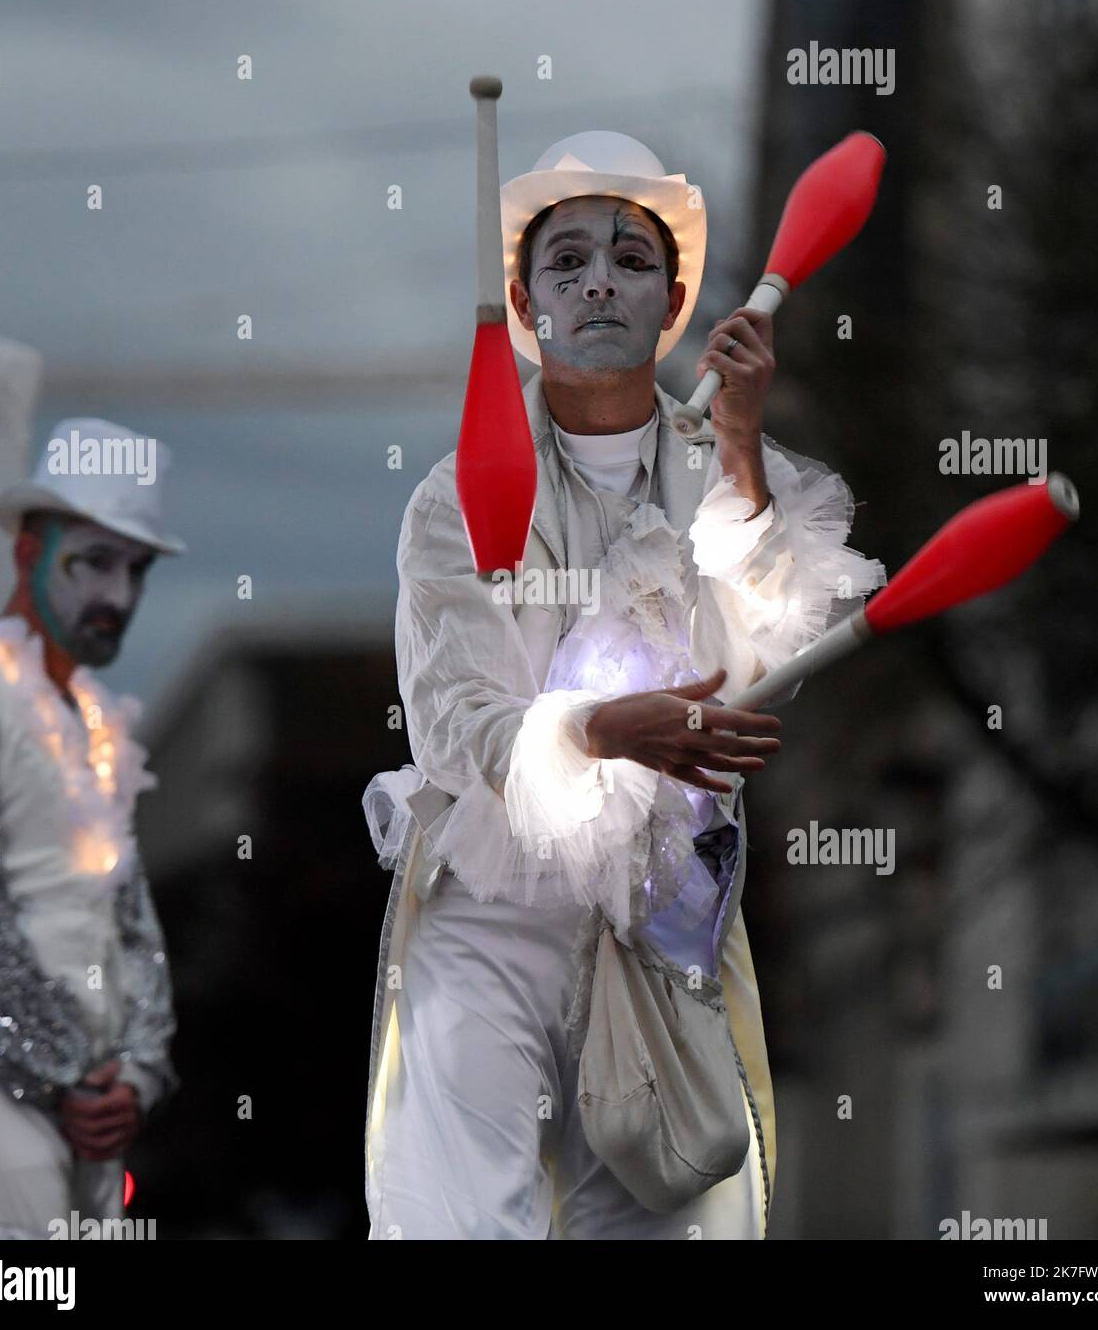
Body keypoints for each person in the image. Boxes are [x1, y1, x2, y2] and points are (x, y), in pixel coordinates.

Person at [363, 130, 885, 1239]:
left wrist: (740, 453)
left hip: (663, 917)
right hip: (489, 915)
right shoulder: (450, 502)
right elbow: (458, 726)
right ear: (523, 303)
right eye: (567, 262)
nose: (599, 278)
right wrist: (603, 729)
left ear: (677, 300)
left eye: (631, 259)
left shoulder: (739, 468)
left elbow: (763, 667)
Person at [0, 417, 184, 1239]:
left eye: (136, 569)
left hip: (83, 1105)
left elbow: (129, 923)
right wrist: (73, 1073)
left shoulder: (99, 723)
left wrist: (136, 1076)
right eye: (93, 561)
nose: (119, 596)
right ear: (29, 552)